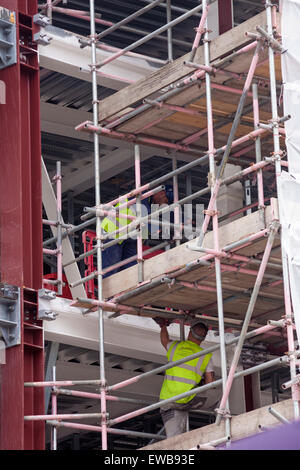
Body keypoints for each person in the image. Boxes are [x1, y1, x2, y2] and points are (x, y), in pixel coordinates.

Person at [154, 317, 215, 438]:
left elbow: (164, 339)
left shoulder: (175, 347)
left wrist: (163, 326)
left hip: (168, 400)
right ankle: (222, 421)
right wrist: (200, 384)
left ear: (189, 331)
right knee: (218, 395)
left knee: (174, 438)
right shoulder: (206, 355)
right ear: (203, 338)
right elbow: (210, 382)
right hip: (188, 399)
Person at [101, 187, 173, 277]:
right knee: (111, 267)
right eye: (165, 198)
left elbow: (169, 214)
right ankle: (105, 290)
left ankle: (126, 289)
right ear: (161, 192)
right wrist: (158, 230)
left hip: (128, 238)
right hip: (113, 233)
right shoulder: (141, 195)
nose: (164, 202)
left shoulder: (152, 204)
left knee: (131, 268)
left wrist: (183, 222)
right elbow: (144, 213)